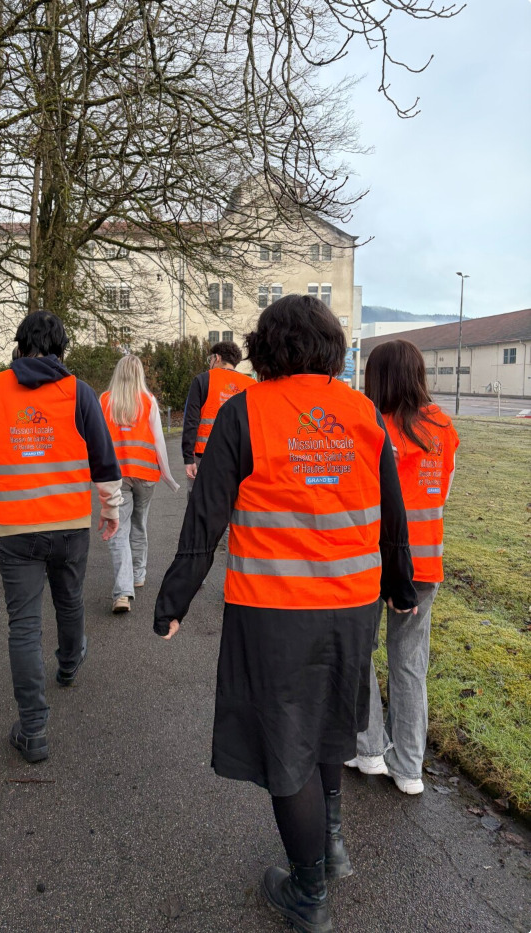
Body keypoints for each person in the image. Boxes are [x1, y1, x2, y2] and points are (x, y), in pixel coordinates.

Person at [154, 295, 417, 933]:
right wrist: (401, 585)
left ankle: (308, 894)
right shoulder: (361, 413)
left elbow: (204, 518)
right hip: (351, 605)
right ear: (330, 347)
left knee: (285, 742)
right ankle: (328, 848)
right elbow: (392, 513)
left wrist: (174, 599)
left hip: (274, 609)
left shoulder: (245, 413)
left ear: (265, 349)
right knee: (329, 720)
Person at [0, 311, 123, 763]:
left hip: (14, 529)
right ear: (61, 349)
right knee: (68, 600)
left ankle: (33, 730)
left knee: (24, 626)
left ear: (19, 345)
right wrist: (109, 510)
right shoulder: (78, 392)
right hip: (69, 525)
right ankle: (69, 665)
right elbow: (104, 457)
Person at [346, 340, 459, 795]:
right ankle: (409, 766)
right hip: (425, 563)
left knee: (359, 651)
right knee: (411, 663)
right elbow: (443, 493)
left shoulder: (372, 426)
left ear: (377, 378)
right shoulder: (444, 426)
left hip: (374, 558)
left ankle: (370, 747)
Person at [100, 355, 179, 614]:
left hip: (116, 476)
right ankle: (138, 574)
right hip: (146, 474)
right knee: (139, 523)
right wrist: (168, 476)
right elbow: (158, 441)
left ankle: (122, 593)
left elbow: (98, 441)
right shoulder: (148, 401)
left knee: (118, 529)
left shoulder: (105, 401)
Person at [181, 341, 254, 497]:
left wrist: (188, 458)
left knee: (199, 502)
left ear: (217, 357)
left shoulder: (203, 380)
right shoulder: (251, 385)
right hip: (237, 456)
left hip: (204, 454)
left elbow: (191, 421)